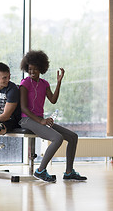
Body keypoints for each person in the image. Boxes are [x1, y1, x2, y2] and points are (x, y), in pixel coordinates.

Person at [19, 50, 87, 182]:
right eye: (30, 69)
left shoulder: (44, 84)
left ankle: (68, 172)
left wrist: (59, 83)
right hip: (26, 120)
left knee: (73, 137)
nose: (32, 72)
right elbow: (23, 108)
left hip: (39, 120)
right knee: (57, 138)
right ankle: (40, 171)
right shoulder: (25, 83)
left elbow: (53, 100)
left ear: (41, 69)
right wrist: (41, 120)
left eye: (35, 69)